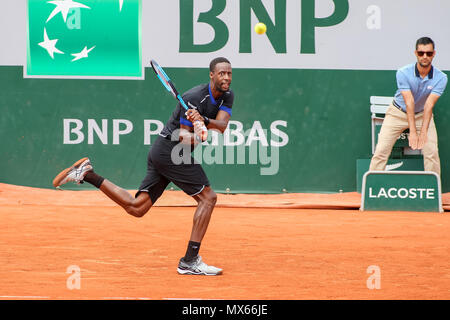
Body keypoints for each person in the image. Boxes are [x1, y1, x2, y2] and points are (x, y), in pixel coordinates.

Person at [53, 57, 234, 276]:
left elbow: (222, 125)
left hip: (165, 152)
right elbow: (185, 139)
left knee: (137, 208)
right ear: (211, 75)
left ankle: (87, 174)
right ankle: (189, 260)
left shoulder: (227, 95)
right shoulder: (193, 97)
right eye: (221, 73)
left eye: (229, 73)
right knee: (208, 198)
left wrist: (203, 120)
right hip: (170, 151)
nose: (226, 77)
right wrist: (200, 134)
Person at [370, 37, 448, 175]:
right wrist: (413, 131)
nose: (425, 56)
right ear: (415, 53)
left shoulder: (441, 78)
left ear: (434, 54)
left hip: (423, 115)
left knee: (432, 152)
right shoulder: (403, 72)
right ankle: (372, 186)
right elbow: (409, 102)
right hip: (397, 113)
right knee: (381, 150)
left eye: (429, 53)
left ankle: (433, 190)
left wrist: (422, 132)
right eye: (421, 53)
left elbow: (429, 105)